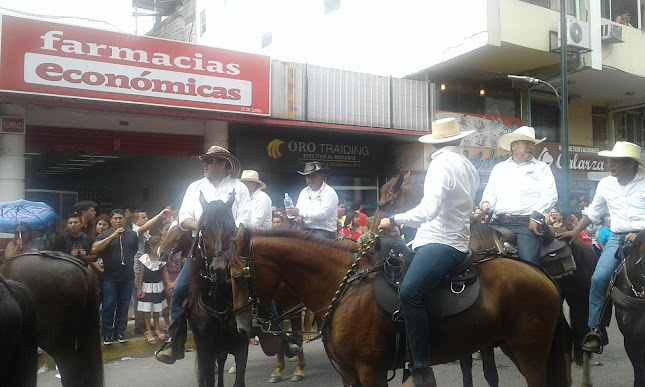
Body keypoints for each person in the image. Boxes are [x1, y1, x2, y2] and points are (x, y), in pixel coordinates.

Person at [378, 117, 479, 386]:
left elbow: (429, 210)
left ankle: (421, 368)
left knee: (410, 293)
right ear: (458, 139)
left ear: (435, 142)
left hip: (441, 242)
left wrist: (395, 219)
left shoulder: (440, 164)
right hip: (447, 238)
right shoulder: (469, 166)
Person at [156, 145, 251, 364]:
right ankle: (174, 340)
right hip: (202, 249)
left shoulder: (239, 188)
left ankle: (272, 331)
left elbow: (245, 218)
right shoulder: (194, 187)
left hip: (233, 248)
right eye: (205, 161)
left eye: (210, 161)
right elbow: (184, 218)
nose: (205, 165)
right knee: (179, 292)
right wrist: (205, 226)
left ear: (223, 164)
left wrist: (225, 232)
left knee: (259, 284)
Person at [559, 141, 645, 352]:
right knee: (598, 278)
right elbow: (593, 212)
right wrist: (576, 231)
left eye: (615, 161)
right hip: (617, 237)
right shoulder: (606, 183)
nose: (610, 165)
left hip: (644, 235)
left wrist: (641, 234)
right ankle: (594, 329)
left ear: (630, 164)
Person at [480, 126, 558, 264]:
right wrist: (486, 204)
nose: (531, 147)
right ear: (514, 146)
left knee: (528, 267)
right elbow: (489, 193)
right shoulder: (500, 168)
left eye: (532, 144)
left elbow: (550, 194)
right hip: (498, 222)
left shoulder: (541, 168)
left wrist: (536, 217)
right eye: (526, 143)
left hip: (526, 224)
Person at [92, 209, 139, 345]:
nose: (118, 221)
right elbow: (95, 249)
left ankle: (120, 331)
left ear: (125, 220)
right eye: (115, 218)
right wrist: (112, 237)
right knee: (109, 305)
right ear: (111, 220)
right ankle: (107, 333)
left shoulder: (132, 235)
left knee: (124, 306)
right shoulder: (104, 234)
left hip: (127, 277)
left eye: (120, 218)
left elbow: (133, 251)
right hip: (110, 278)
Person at [132, 208, 170, 333]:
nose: (147, 220)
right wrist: (159, 215)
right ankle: (140, 326)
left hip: (151, 267)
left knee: (150, 300)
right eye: (143, 218)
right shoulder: (136, 230)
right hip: (139, 268)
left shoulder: (147, 233)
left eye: (147, 217)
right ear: (135, 221)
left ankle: (146, 324)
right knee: (141, 298)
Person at [285, 161, 339, 239]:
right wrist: (297, 216)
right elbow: (299, 211)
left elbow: (323, 214)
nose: (310, 180)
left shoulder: (330, 192)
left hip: (324, 231)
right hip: (304, 228)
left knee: (312, 244)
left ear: (322, 176)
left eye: (314, 176)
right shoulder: (304, 192)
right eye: (308, 177)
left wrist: (299, 212)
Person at [137, 236, 171, 344]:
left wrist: (169, 283)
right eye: (157, 246)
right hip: (146, 287)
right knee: (147, 311)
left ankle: (157, 329)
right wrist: (139, 288)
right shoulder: (144, 258)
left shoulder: (161, 258)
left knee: (157, 310)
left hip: (158, 287)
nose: (159, 248)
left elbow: (165, 272)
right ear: (151, 247)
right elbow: (141, 274)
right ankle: (148, 331)